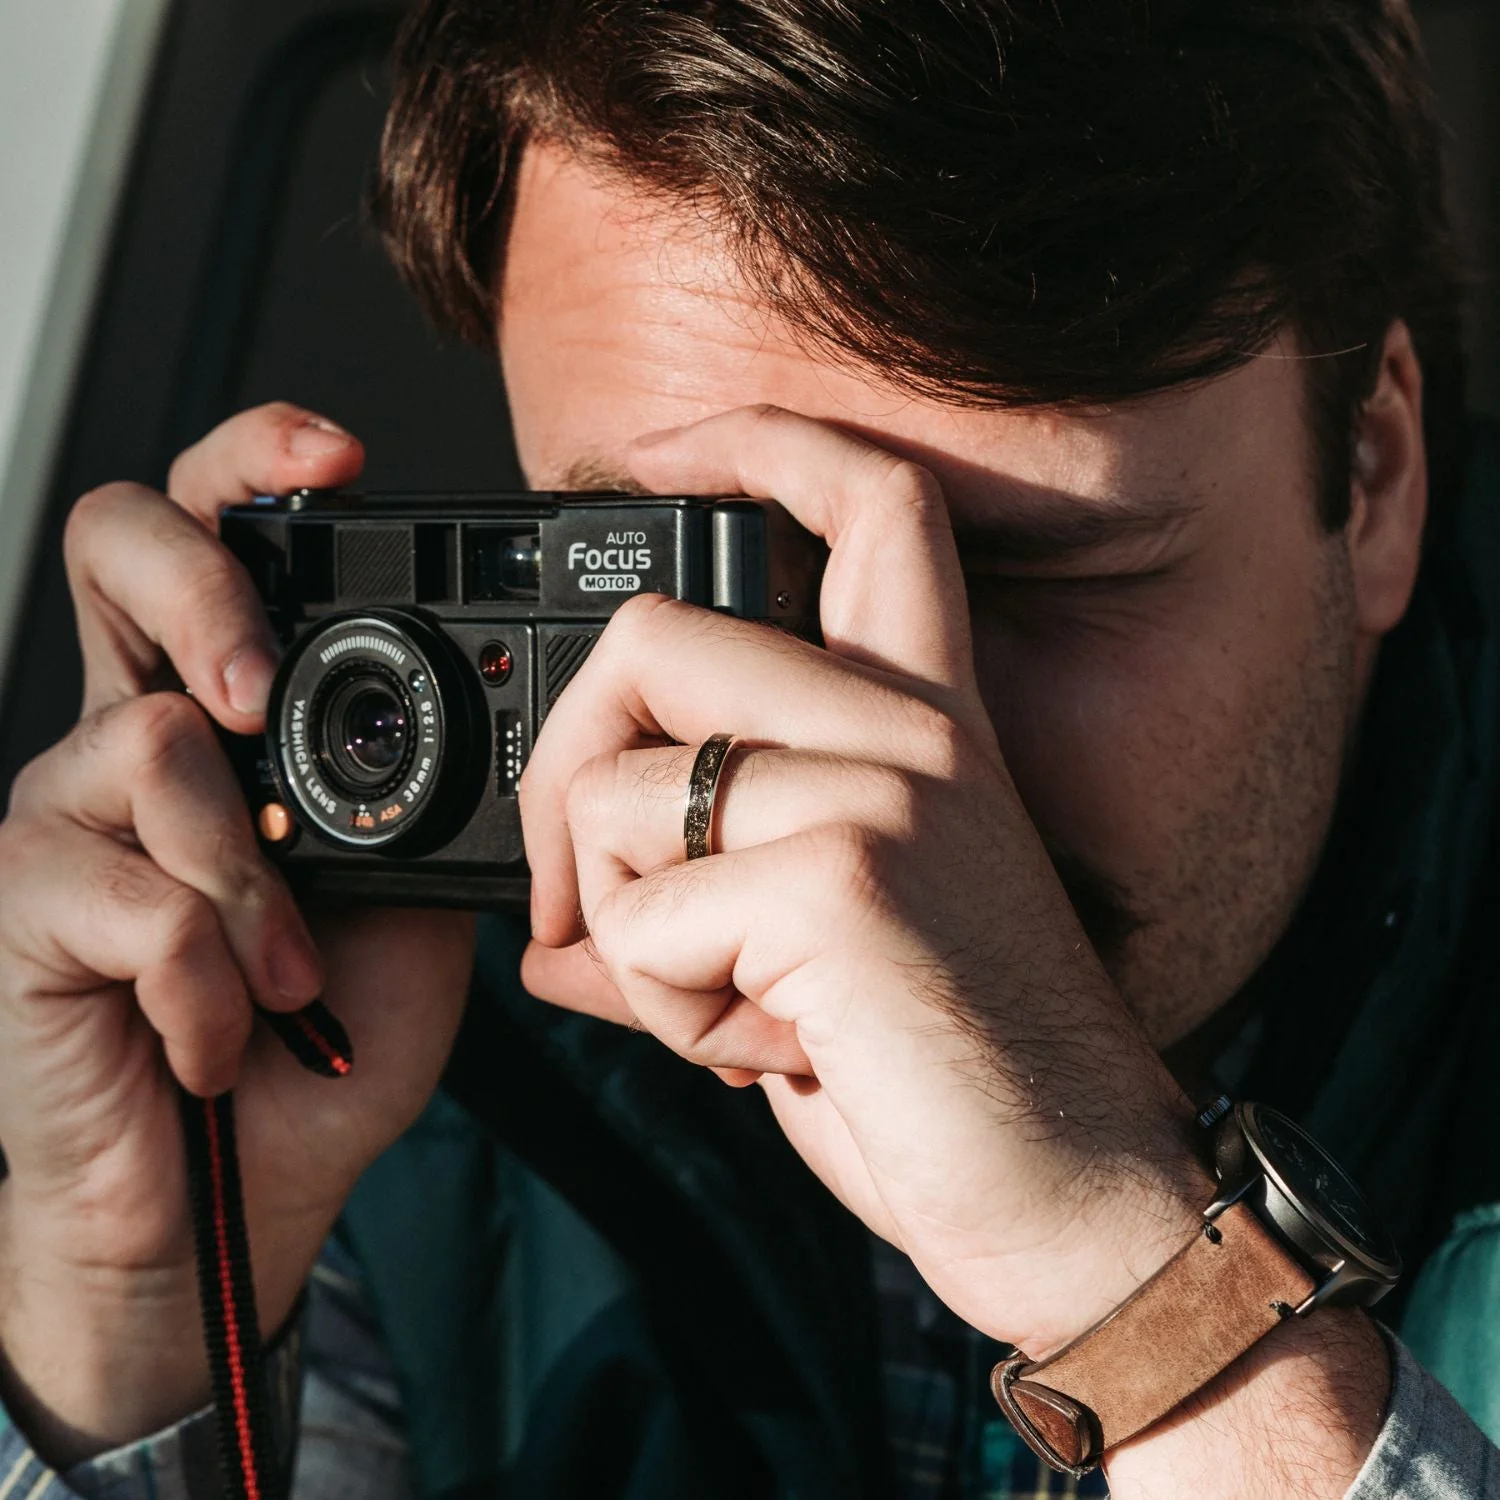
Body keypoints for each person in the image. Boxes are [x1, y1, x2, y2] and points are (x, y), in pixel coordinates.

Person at [1, 0, 1498, 1495]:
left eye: (1022, 576)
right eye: (670, 574)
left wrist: (1154, 1290)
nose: (862, 767)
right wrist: (138, 1318)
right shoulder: (385, 1090)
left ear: (1371, 474)